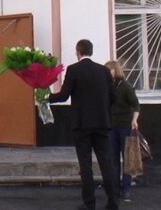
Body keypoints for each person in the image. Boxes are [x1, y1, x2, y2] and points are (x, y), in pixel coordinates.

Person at [48, 39, 119, 210]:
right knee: (106, 163)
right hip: (102, 123)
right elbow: (113, 97)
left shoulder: (74, 70)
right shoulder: (104, 71)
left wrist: (46, 97)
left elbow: (64, 96)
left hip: (82, 125)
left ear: (78, 52)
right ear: (91, 52)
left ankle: (89, 203)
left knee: (85, 165)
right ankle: (113, 202)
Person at [105, 59, 140, 201]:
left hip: (125, 126)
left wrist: (134, 120)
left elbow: (136, 105)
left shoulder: (125, 86)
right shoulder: (107, 86)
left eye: (110, 70)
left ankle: (126, 189)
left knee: (127, 159)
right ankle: (115, 188)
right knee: (113, 159)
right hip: (111, 127)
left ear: (116, 70)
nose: (108, 73)